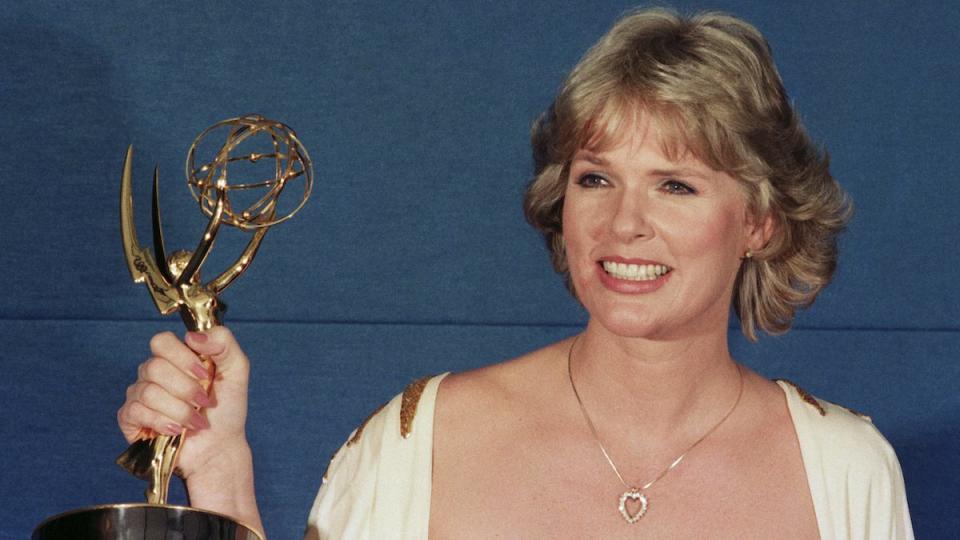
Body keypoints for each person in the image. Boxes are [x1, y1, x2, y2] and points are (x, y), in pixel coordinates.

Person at [117, 7, 914, 539]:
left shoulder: (845, 472)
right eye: (596, 177)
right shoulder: (416, 441)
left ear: (760, 222)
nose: (623, 222)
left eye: (676, 184)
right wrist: (221, 474)